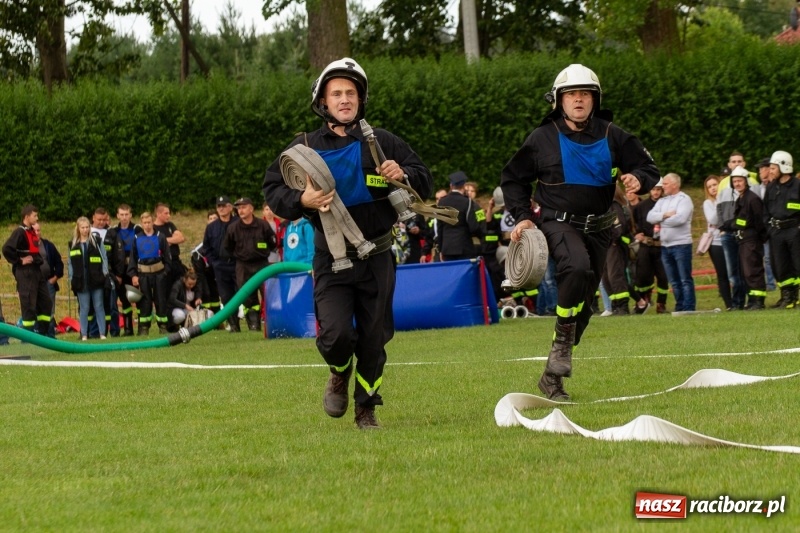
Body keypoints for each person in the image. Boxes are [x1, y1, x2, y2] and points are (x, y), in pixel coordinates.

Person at [262, 57, 433, 429]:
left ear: (360, 99)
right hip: (331, 260)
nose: (344, 99)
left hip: (379, 258)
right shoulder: (302, 147)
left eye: (351, 93)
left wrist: (402, 173)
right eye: (336, 93)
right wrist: (301, 201)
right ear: (322, 101)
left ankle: (366, 407)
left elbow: (425, 178)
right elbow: (272, 189)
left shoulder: (383, 142)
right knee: (338, 334)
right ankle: (339, 371)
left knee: (374, 338)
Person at [501, 63, 659, 401]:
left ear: (594, 99)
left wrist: (638, 179)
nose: (578, 99)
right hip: (557, 222)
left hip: (601, 228)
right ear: (558, 100)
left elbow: (649, 167)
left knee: (584, 308)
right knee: (576, 267)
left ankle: (550, 377)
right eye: (571, 94)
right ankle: (561, 342)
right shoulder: (541, 138)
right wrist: (523, 217)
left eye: (585, 94)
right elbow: (513, 179)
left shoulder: (614, 134)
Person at [223, 197, 277, 331]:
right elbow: (227, 247)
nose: (240, 210)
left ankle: (274, 323)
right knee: (248, 297)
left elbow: (273, 243)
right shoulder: (233, 228)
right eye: (239, 208)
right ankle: (254, 324)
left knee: (269, 293)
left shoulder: (263, 225)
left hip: (262, 265)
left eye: (243, 207)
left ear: (251, 209)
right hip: (243, 266)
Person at [716, 152, 761, 310]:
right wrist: (724, 227)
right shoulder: (725, 187)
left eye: (739, 161)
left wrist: (731, 224)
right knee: (736, 272)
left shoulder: (752, 190)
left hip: (749, 236)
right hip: (733, 235)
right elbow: (719, 210)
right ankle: (740, 303)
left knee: (750, 269)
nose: (737, 183)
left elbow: (752, 217)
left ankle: (755, 301)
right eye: (733, 161)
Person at [647, 173, 695, 312]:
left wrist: (660, 220)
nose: (663, 187)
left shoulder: (684, 200)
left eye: (666, 184)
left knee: (685, 278)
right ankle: (679, 306)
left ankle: (689, 306)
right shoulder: (662, 201)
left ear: (675, 184)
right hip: (665, 246)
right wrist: (665, 215)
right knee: (673, 280)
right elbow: (650, 217)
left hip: (681, 245)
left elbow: (680, 219)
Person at [2, 204, 53, 335]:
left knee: (46, 302)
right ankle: (28, 339)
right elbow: (6, 248)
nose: (37, 218)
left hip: (37, 271)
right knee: (29, 306)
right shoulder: (19, 232)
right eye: (35, 215)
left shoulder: (31, 231)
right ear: (27, 217)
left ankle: (42, 335)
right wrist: (20, 260)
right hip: (26, 273)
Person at [763, 151, 800, 309]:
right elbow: (765, 210)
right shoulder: (771, 187)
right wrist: (770, 228)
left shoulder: (797, 186)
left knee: (797, 264)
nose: (770, 171)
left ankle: (796, 296)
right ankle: (787, 296)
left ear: (784, 167)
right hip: (776, 232)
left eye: (773, 168)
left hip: (794, 230)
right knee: (780, 265)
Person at [128, 211, 172, 335]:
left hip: (159, 274)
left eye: (149, 222)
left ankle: (163, 326)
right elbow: (133, 258)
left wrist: (165, 273)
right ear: (141, 224)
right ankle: (144, 328)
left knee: (161, 300)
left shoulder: (160, 236)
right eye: (145, 223)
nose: (147, 225)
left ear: (153, 222)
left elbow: (167, 257)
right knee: (144, 301)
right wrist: (134, 275)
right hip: (143, 274)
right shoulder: (137, 238)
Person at [631, 182, 669, 313]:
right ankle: (643, 300)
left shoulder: (667, 204)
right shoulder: (641, 206)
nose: (656, 192)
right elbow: (632, 222)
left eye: (658, 189)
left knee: (663, 276)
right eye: (653, 189)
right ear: (649, 190)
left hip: (662, 245)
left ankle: (661, 304)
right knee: (643, 276)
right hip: (645, 245)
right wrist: (636, 233)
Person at [67, 216, 108, 340]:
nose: (85, 230)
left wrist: (105, 274)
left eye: (87, 227)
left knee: (99, 306)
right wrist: (71, 278)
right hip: (81, 281)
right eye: (82, 227)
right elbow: (70, 263)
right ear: (78, 229)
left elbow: (104, 258)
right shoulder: (73, 244)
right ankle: (84, 334)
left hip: (96, 279)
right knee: (84, 308)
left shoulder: (97, 241)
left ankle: (102, 333)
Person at [203, 196, 240, 332]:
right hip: (220, 265)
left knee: (241, 293)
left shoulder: (238, 223)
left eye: (224, 205)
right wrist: (213, 263)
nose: (221, 208)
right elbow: (206, 247)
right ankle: (234, 325)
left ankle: (252, 324)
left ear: (230, 207)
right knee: (225, 296)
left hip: (237, 264)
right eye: (219, 206)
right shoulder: (211, 227)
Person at [437, 171, 486, 261]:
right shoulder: (467, 202)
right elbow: (473, 227)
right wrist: (481, 236)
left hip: (447, 248)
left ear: (451, 186)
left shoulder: (442, 202)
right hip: (464, 247)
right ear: (463, 187)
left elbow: (440, 228)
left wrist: (441, 249)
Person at [107, 204, 140, 336]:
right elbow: (108, 254)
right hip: (119, 272)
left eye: (127, 214)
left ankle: (142, 329)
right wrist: (116, 274)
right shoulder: (113, 231)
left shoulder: (137, 230)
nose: (124, 217)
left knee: (138, 299)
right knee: (124, 300)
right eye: (122, 214)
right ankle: (128, 329)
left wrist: (136, 273)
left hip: (135, 271)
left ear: (131, 215)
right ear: (117, 216)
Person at [702, 175, 733, 310]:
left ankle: (739, 300)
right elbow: (713, 220)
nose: (713, 188)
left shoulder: (729, 198)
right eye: (709, 187)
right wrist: (720, 204)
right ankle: (729, 304)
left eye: (714, 185)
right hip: (716, 243)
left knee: (735, 271)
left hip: (731, 238)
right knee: (722, 274)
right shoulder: (708, 203)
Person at [601, 186, 633, 315]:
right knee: (606, 278)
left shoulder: (614, 205)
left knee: (615, 276)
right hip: (604, 246)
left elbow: (618, 226)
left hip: (614, 245)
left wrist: (613, 240)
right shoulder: (602, 207)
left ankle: (623, 306)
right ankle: (615, 305)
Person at [33, 222, 64, 337]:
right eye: (34, 231)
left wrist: (54, 278)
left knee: (49, 310)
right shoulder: (25, 246)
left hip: (48, 283)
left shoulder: (48, 246)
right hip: (33, 284)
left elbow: (59, 263)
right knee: (34, 310)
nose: (37, 233)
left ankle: (50, 334)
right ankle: (36, 335)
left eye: (38, 230)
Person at [153, 203, 186, 292]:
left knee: (180, 290)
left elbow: (181, 238)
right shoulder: (153, 228)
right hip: (163, 265)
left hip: (176, 263)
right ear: (158, 214)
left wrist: (165, 240)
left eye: (169, 213)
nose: (169, 216)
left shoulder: (170, 225)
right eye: (166, 213)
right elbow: (154, 243)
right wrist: (172, 239)